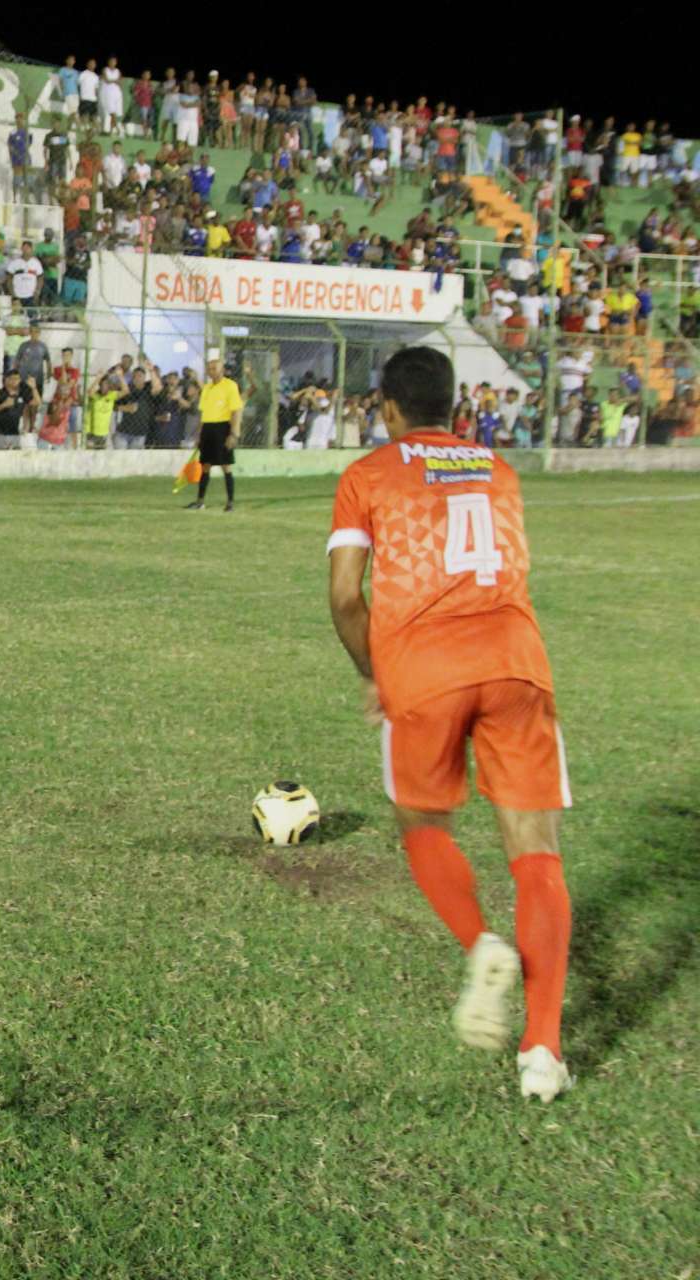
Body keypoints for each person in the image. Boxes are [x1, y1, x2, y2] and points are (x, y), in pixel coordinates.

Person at [327, 346, 573, 1104]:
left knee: (422, 823)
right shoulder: (499, 470)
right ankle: (542, 1051)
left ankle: (482, 944)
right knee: (536, 855)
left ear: (387, 407)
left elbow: (345, 597)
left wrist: (373, 672)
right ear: (455, 405)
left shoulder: (368, 474)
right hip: (514, 663)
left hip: (424, 673)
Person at [187, 350, 241, 510]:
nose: (211, 371)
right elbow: (204, 414)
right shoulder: (207, 388)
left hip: (222, 427)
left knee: (225, 465)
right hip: (208, 429)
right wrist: (199, 435)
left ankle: (230, 502)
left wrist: (233, 433)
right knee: (205, 465)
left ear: (222, 370)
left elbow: (236, 410)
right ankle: (200, 501)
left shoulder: (230, 386)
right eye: (209, 368)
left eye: (214, 368)